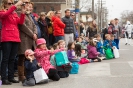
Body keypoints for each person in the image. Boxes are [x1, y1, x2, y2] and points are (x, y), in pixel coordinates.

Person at [0, 0, 26, 85]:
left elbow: (20, 22)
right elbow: (4, 15)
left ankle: (11, 77)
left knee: (12, 59)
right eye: (9, 3)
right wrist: (15, 5)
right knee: (5, 59)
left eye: (12, 3)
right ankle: (4, 78)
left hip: (15, 37)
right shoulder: (2, 12)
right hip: (7, 37)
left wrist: (22, 12)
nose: (11, 4)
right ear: (4, 4)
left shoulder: (14, 13)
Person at [18, 0, 37, 82]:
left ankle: (28, 74)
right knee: (22, 56)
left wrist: (35, 33)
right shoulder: (19, 13)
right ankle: (21, 75)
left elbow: (34, 25)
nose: (28, 5)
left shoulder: (29, 15)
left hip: (31, 38)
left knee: (29, 57)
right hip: (24, 38)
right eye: (26, 3)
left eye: (29, 3)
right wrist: (32, 34)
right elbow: (22, 26)